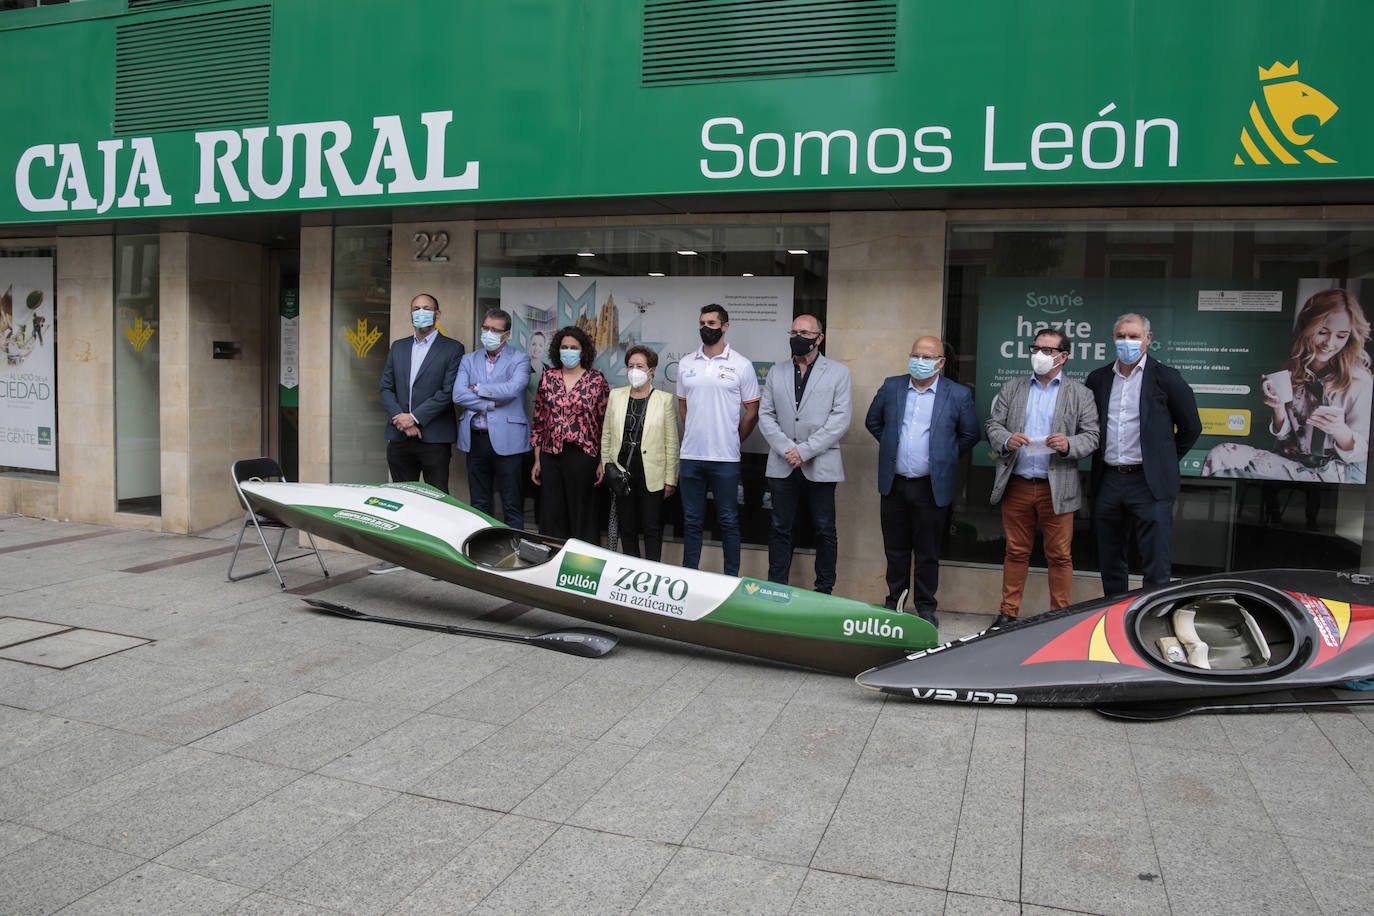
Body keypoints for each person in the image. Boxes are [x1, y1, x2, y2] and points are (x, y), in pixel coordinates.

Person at [985, 329, 1099, 628]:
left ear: (1063, 356)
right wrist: (1007, 439)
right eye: (1036, 348)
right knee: (1016, 551)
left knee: (1060, 555)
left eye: (1047, 351)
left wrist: (1069, 445)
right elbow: (992, 425)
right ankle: (1008, 613)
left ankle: (1058, 617)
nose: (1039, 355)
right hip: (1018, 484)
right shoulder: (1013, 388)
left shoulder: (1081, 394)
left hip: (1057, 487)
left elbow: (1092, 436)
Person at [1202, 288, 1371, 485]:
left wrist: (1339, 430)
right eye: (1322, 332)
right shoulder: (1292, 372)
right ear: (1307, 327)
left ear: (1350, 337)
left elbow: (1361, 453)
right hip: (1293, 462)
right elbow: (1287, 438)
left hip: (1335, 469)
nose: (1330, 343)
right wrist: (1278, 408)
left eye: (1341, 336)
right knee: (1221, 454)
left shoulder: (1359, 381)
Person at [1086, 313, 1202, 598]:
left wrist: (1161, 460)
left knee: (1155, 562)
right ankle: (1112, 614)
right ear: (1114, 338)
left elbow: (1191, 427)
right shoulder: (1098, 379)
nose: (1127, 342)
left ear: (1148, 339)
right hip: (1109, 480)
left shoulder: (1167, 378)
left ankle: (1153, 618)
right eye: (1122, 336)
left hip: (1149, 483)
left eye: (1134, 336)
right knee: (1111, 559)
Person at [864, 335, 979, 624]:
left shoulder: (958, 394)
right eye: (916, 355)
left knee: (928, 552)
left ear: (941, 362)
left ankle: (926, 608)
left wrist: (945, 456)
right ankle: (895, 603)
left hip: (931, 486)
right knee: (896, 549)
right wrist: (892, 445)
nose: (920, 362)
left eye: (927, 357)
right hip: (895, 483)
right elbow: (873, 421)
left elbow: (970, 435)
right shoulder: (892, 386)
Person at [758, 313, 852, 593]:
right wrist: (788, 449)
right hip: (782, 463)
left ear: (819, 338)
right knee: (779, 528)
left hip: (820, 464)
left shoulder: (838, 372)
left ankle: (824, 591)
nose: (798, 337)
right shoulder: (777, 372)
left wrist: (805, 451)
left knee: (824, 530)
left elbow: (840, 420)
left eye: (805, 333)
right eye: (794, 332)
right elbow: (766, 414)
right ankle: (776, 588)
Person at [373, 293, 465, 573]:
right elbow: (385, 388)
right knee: (401, 498)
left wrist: (415, 417)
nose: (421, 313)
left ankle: (439, 560)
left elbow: (448, 392)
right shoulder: (398, 347)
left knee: (437, 499)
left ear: (438, 315)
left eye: (426, 309)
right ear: (410, 314)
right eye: (416, 309)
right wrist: (401, 420)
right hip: (399, 436)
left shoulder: (453, 349)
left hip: (433, 437)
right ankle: (400, 555)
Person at [676, 303, 760, 576]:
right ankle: (689, 576)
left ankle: (730, 580)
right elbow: (684, 407)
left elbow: (752, 412)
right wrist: (697, 432)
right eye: (702, 323)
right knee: (690, 521)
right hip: (691, 457)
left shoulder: (742, 365)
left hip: (725, 459)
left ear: (725, 326)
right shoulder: (687, 363)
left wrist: (733, 439)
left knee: (728, 521)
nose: (705, 328)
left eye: (712, 323)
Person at [531, 325, 610, 542]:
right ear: (558, 350)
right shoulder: (548, 377)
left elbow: (605, 423)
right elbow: (539, 420)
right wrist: (537, 459)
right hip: (550, 455)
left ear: (583, 351)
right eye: (564, 347)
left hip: (583, 456)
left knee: (582, 513)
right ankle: (551, 561)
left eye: (573, 347)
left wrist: (603, 460)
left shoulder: (596, 380)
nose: (569, 351)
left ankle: (582, 566)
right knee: (552, 513)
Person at [453, 308, 531, 527]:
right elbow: (458, 394)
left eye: (495, 330)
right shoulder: (468, 360)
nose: (489, 333)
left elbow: (513, 389)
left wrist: (476, 387)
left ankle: (516, 551)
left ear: (506, 334)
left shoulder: (520, 359)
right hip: (476, 438)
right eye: (486, 328)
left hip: (509, 440)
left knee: (512, 502)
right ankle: (482, 550)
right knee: (479, 503)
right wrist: (490, 402)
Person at [601, 345, 679, 559]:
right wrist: (607, 466)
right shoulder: (616, 396)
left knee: (652, 527)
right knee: (627, 527)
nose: (634, 370)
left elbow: (671, 442)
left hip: (652, 472)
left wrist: (670, 479)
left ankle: (652, 572)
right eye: (631, 366)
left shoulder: (664, 399)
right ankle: (630, 569)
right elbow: (606, 435)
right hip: (622, 470)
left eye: (640, 366)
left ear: (651, 370)